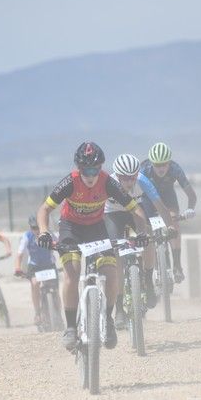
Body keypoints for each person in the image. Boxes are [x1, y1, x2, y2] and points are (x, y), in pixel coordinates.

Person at [36, 141, 150, 350]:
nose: (90, 175)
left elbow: (136, 209)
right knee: (72, 271)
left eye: (94, 169)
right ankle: (71, 327)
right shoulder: (69, 182)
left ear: (100, 168)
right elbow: (44, 210)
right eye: (85, 169)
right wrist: (43, 232)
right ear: (79, 168)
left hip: (96, 228)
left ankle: (108, 319)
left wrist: (141, 233)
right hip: (70, 228)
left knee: (111, 269)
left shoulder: (108, 182)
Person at [105, 153, 175, 329]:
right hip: (112, 215)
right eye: (125, 178)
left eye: (133, 178)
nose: (130, 182)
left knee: (148, 238)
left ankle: (148, 280)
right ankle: (119, 308)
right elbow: (96, 209)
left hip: (134, 212)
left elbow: (160, 206)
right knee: (116, 255)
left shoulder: (143, 181)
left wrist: (171, 227)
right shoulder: (107, 184)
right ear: (117, 176)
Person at [140, 142, 197, 283]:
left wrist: (190, 209)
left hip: (168, 198)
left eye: (164, 164)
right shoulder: (144, 169)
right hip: (148, 200)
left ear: (169, 162)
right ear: (151, 163)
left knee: (174, 222)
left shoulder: (175, 169)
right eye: (157, 165)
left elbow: (191, 195)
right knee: (146, 229)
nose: (161, 168)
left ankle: (177, 264)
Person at [14, 215, 58, 327]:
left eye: (38, 227)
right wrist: (18, 268)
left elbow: (60, 246)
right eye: (34, 228)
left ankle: (58, 312)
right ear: (30, 228)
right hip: (34, 266)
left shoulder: (49, 234)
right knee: (35, 283)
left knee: (55, 288)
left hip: (49, 264)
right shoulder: (27, 236)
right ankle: (37, 312)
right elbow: (19, 255)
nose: (37, 230)